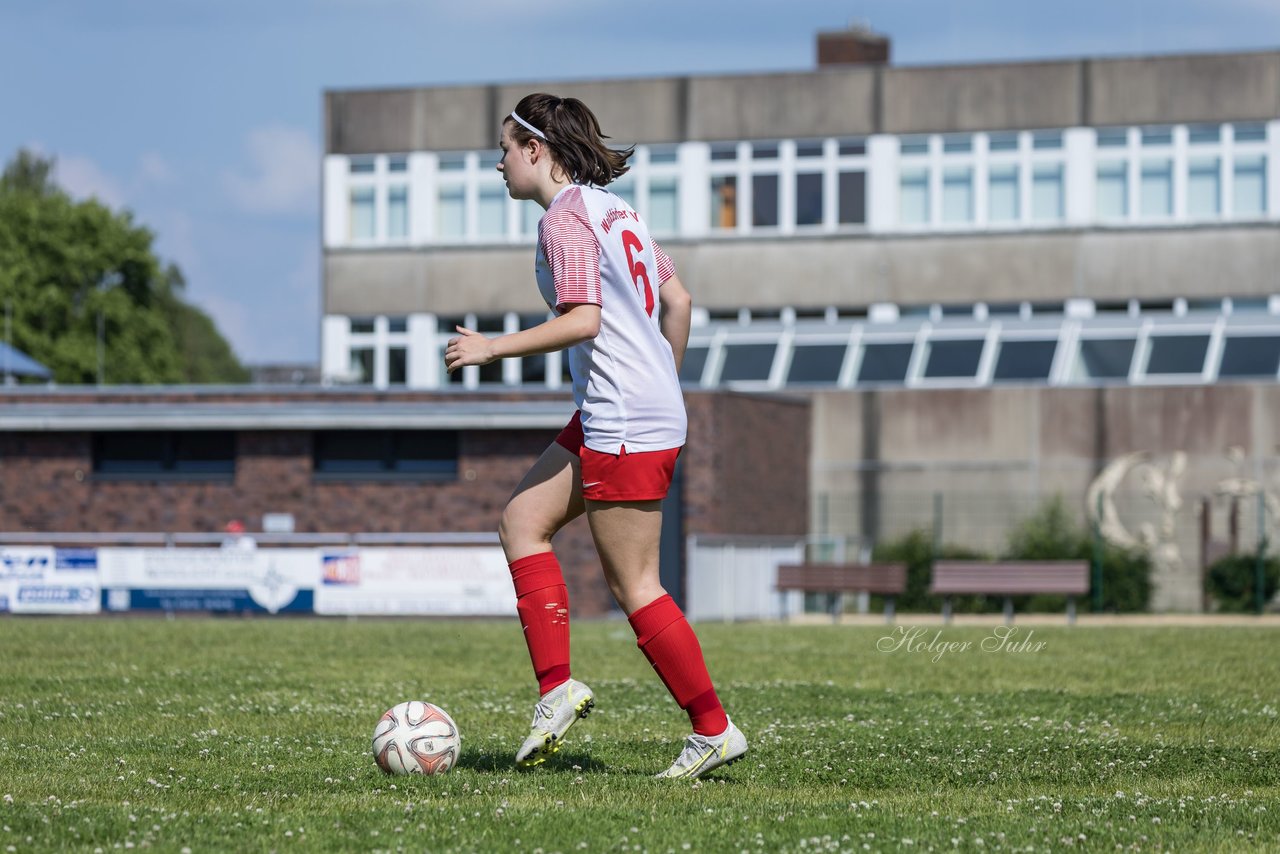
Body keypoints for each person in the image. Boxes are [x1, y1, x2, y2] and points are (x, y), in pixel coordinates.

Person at [444, 93, 747, 779]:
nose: (497, 164)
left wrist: (493, 349)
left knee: (637, 585)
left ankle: (714, 728)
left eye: (504, 149)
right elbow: (679, 301)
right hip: (625, 410)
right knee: (521, 521)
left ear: (536, 150)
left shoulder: (565, 220)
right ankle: (556, 690)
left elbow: (583, 319)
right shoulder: (616, 210)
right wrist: (661, 380)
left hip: (624, 418)